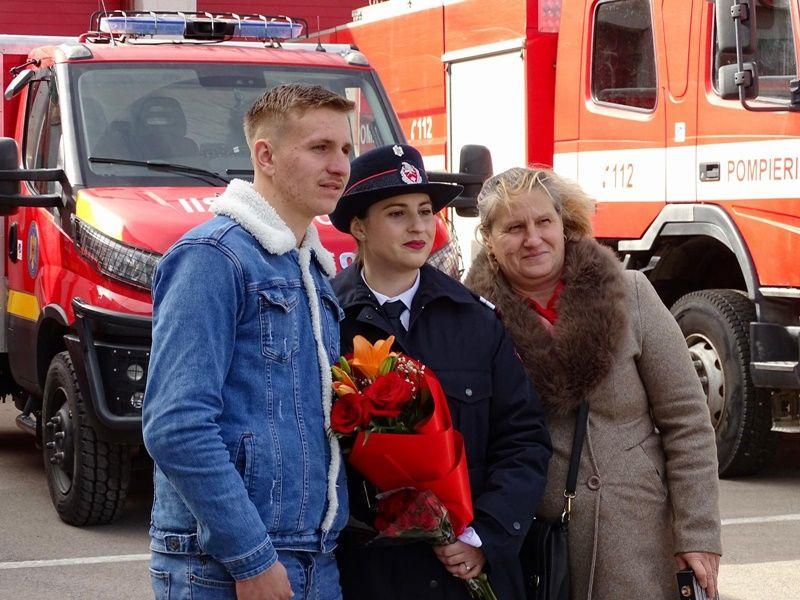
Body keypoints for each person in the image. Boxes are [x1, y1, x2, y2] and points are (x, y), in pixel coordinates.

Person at [464, 167, 723, 599]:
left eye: (544, 222)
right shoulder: (472, 318)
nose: (533, 238)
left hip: (636, 539)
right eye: (514, 228)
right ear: (488, 239)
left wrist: (697, 533)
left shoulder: (629, 293)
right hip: (533, 548)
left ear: (563, 225)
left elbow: (687, 421)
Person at [142, 84, 354, 600]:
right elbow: (176, 425)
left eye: (346, 149)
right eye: (320, 148)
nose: (340, 166)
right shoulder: (213, 256)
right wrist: (251, 557)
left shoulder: (310, 268)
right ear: (266, 155)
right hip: (223, 567)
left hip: (313, 557)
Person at [328, 144, 552, 600]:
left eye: (425, 211)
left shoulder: (475, 318)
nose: (418, 226)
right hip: (369, 575)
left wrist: (484, 537)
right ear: (359, 227)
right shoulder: (326, 321)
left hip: (466, 573)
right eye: (397, 213)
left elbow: (524, 438)